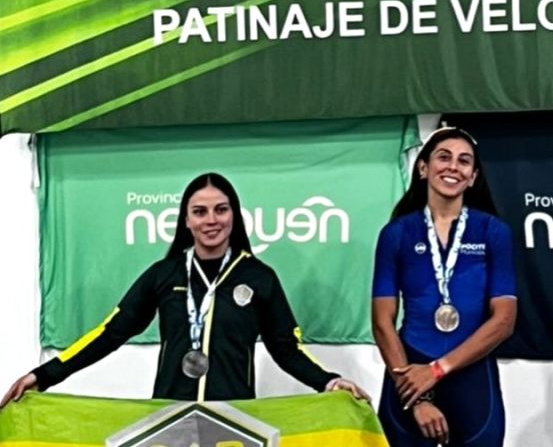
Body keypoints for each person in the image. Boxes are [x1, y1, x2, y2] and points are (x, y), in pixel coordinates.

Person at [1, 172, 368, 406]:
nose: (211, 220)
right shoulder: (164, 274)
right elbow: (110, 333)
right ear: (186, 220)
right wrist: (43, 375)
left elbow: (286, 349)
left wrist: (330, 381)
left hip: (236, 418)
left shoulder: (259, 278)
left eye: (221, 210)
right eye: (200, 211)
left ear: (234, 216)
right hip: (170, 416)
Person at [371, 126, 517, 446]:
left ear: (473, 177)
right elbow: (382, 322)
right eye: (444, 157)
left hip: (472, 381)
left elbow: (504, 321)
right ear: (423, 168)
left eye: (464, 161)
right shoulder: (396, 234)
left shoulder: (493, 232)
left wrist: (436, 370)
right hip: (408, 375)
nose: (453, 166)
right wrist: (416, 397)